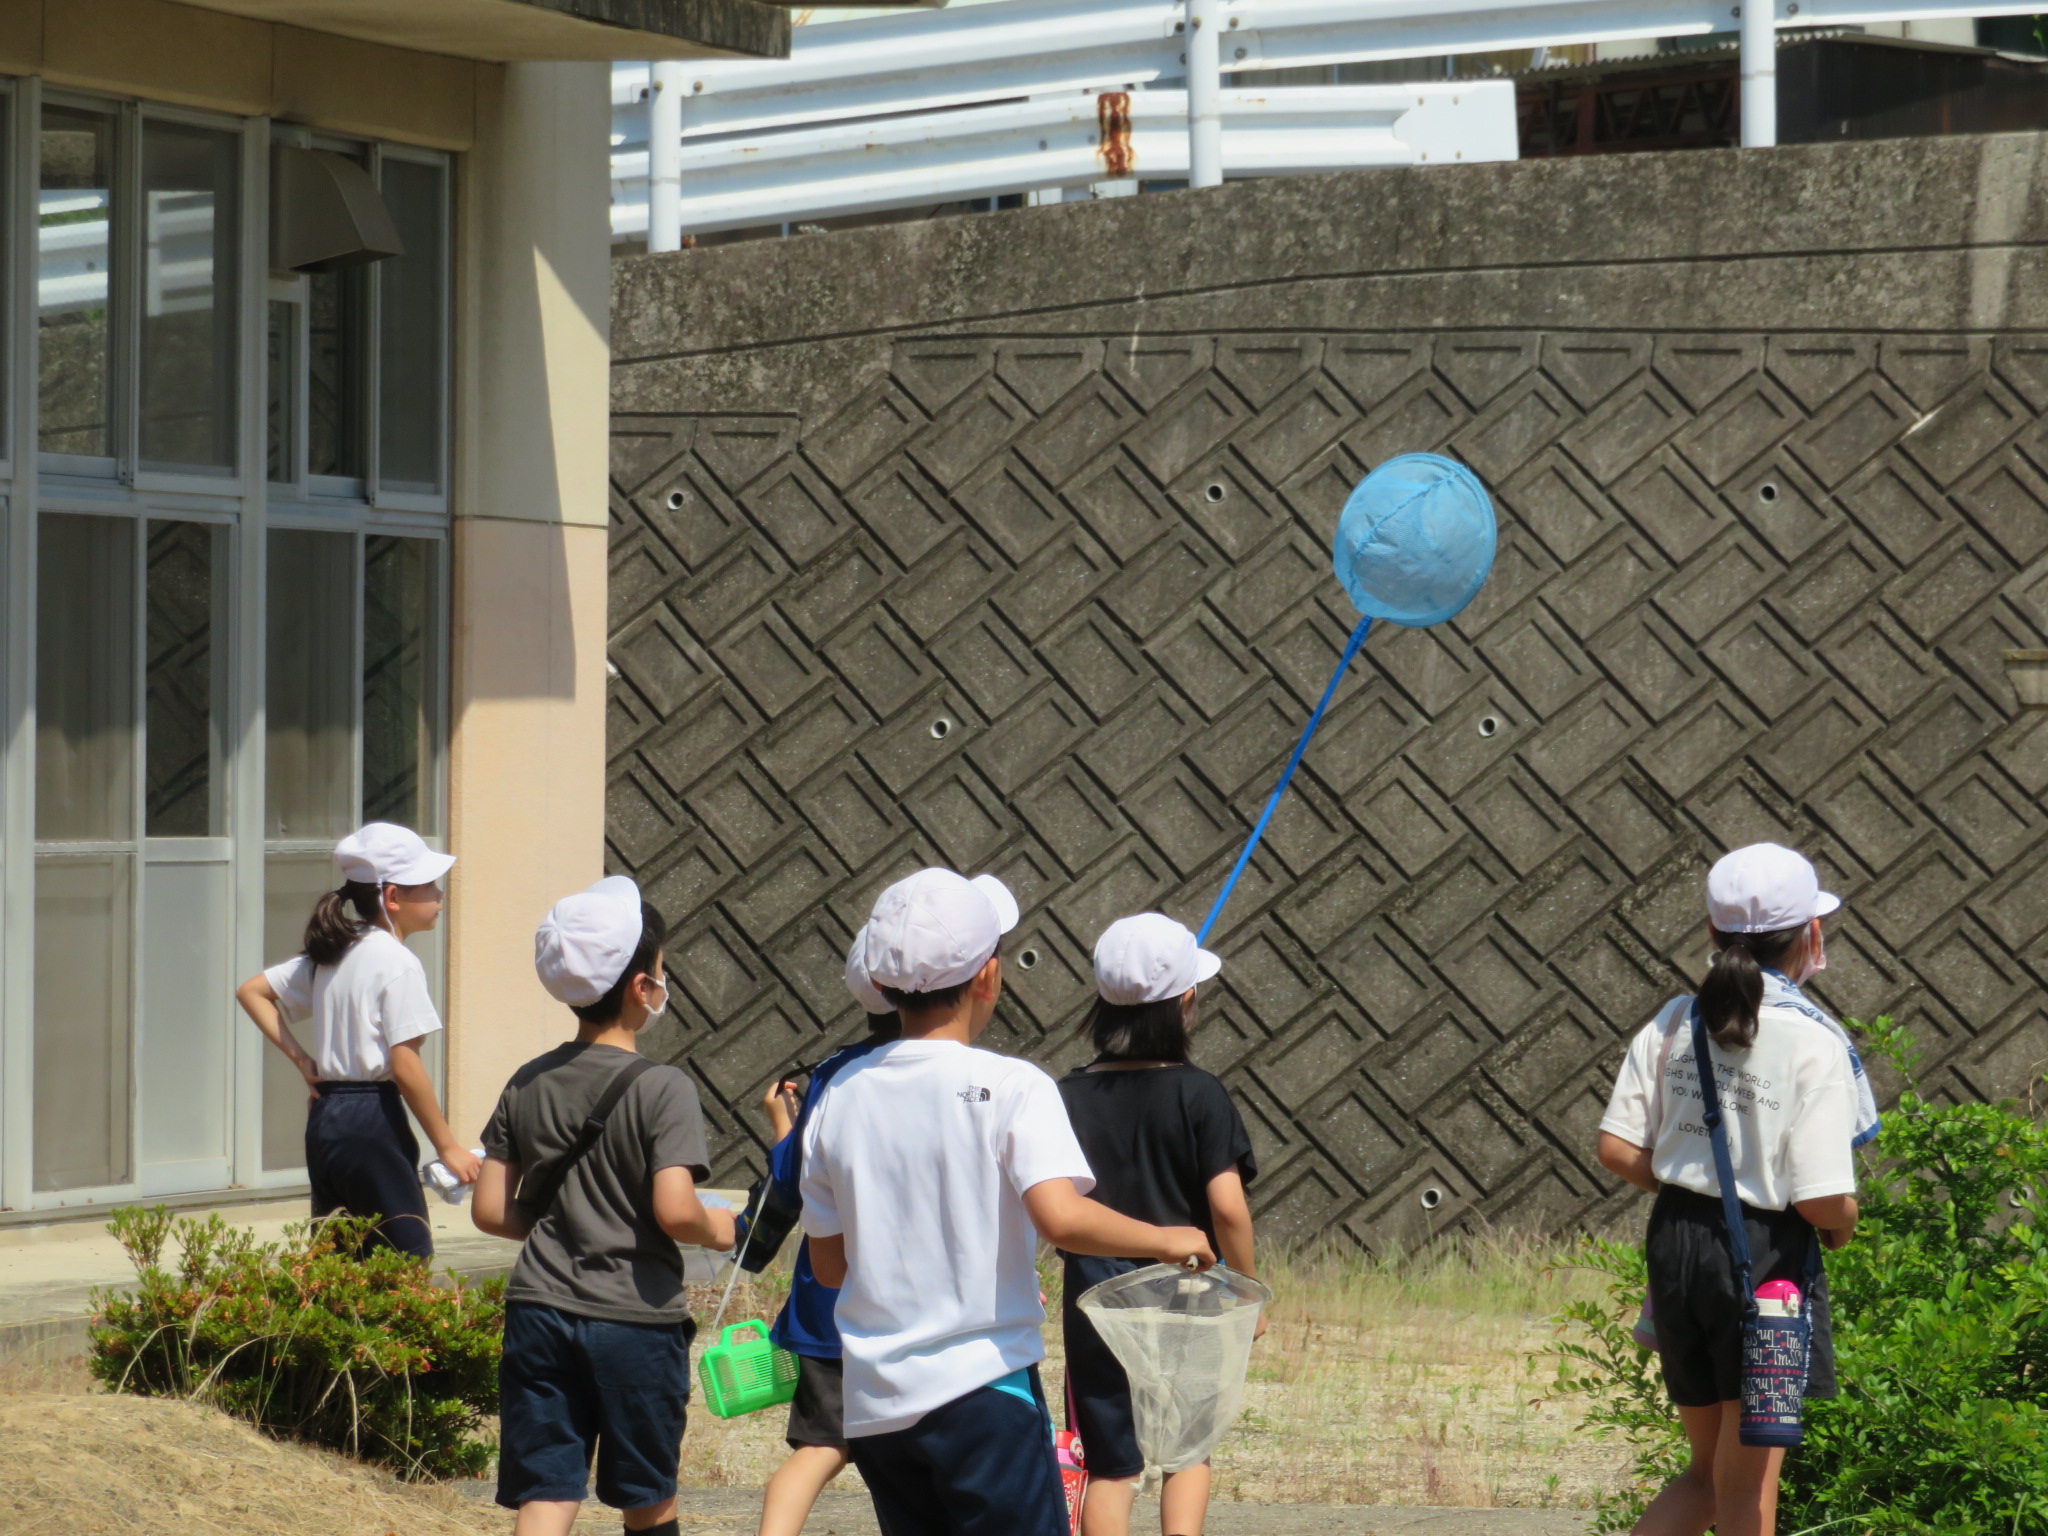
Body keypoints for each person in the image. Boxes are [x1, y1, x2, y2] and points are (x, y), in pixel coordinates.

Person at [799, 868, 1218, 1536]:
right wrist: (1171, 1239)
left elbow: (828, 1267)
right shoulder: (1011, 1085)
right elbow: (1063, 1218)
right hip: (984, 1391)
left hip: (877, 1405)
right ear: (989, 978)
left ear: (880, 986)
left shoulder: (839, 1097)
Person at [1597, 844, 1863, 1536]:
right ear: (1811, 935)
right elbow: (1820, 1199)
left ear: (1714, 933)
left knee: (1705, 1474)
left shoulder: (1675, 1019)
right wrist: (1844, 1223)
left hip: (1676, 1243)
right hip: (1768, 1265)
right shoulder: (1814, 1041)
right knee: (1743, 1490)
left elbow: (1617, 1148)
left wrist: (1701, 1186)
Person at [472, 876, 738, 1536]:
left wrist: (563, 1227)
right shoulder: (663, 1088)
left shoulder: (527, 1080)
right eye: (660, 970)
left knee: (548, 1490)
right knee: (646, 1497)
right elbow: (677, 1211)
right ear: (642, 989)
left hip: (537, 1309)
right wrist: (723, 1228)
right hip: (633, 1320)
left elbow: (487, 1209)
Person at [1057, 913, 1260, 1536]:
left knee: (1112, 1466)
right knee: (1187, 1451)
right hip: (1188, 1292)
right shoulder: (1200, 1094)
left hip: (1094, 1296)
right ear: (1186, 1003)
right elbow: (1227, 1206)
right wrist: (1246, 1288)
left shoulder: (1065, 1094)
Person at [234, 822, 476, 1259]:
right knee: (402, 1255)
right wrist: (448, 1147)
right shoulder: (397, 962)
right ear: (393, 897)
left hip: (327, 1116)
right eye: (429, 885)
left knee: (339, 1257)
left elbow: (251, 990)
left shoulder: (336, 950)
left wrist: (303, 1062)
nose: (440, 895)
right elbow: (405, 1066)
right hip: (372, 1117)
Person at [752, 929, 901, 1536]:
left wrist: (782, 1124)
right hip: (916, 1314)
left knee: (819, 1448)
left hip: (828, 1309)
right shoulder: (966, 1077)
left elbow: (791, 1178)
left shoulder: (834, 1073)